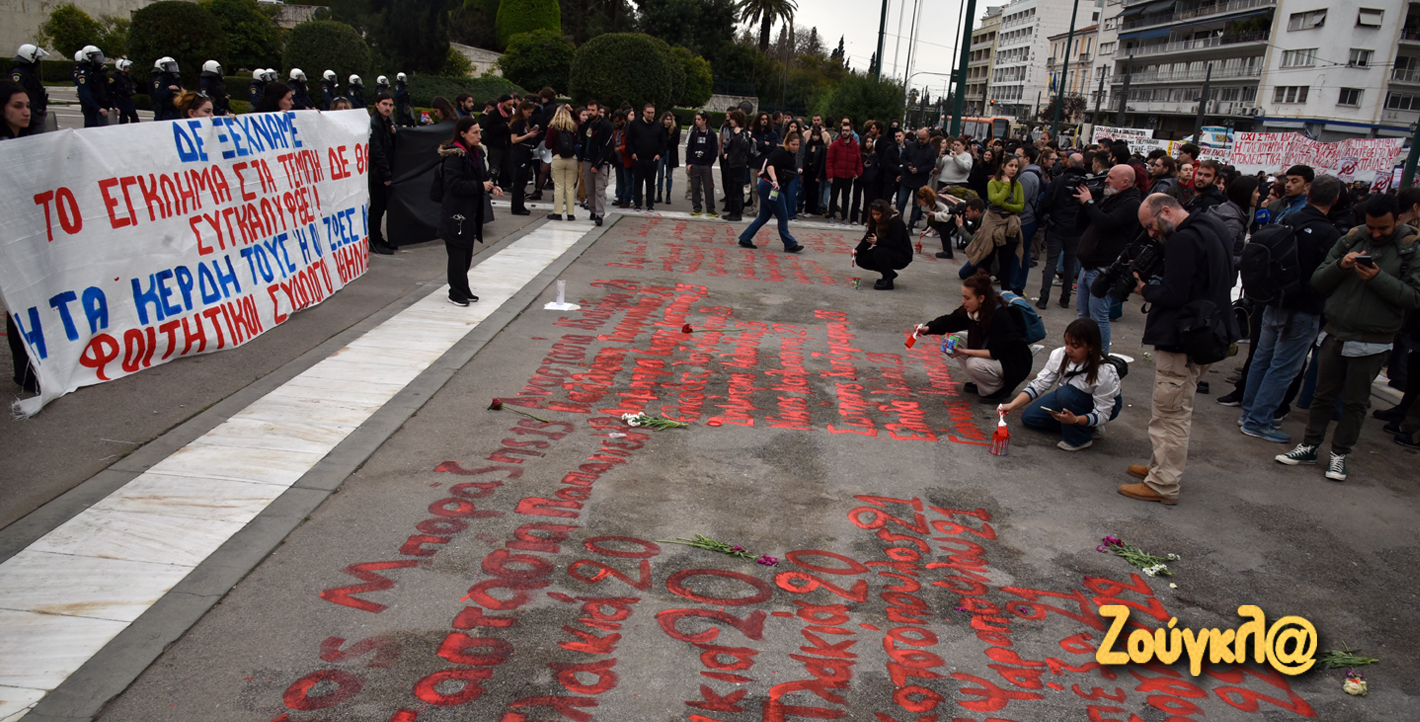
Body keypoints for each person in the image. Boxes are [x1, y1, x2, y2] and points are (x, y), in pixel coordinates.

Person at [1276, 195, 1420, 480]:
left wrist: (1377, 278)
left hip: (1373, 338)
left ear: (1397, 221)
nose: (1376, 234)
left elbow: (1414, 297)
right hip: (1335, 331)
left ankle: (1339, 454)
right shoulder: (1353, 238)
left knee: (1355, 402)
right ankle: (1310, 445)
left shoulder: (1410, 249)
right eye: (1371, 227)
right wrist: (1341, 265)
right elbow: (1318, 280)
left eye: (1384, 229)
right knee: (1322, 396)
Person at [1120, 193, 1239, 505]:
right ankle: (1160, 466)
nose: (1151, 234)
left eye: (1151, 226)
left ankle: (1163, 483)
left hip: (1185, 338)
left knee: (1170, 412)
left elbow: (1173, 294)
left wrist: (1143, 288)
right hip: (1208, 331)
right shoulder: (1213, 228)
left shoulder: (1183, 240)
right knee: (1175, 407)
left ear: (1167, 211)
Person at [1234, 175, 1340, 442]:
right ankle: (1258, 420)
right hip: (1303, 308)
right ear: (1335, 199)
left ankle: (1249, 413)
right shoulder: (1329, 233)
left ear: (1310, 191)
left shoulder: (1287, 218)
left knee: (1262, 358)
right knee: (1283, 367)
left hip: (1273, 301)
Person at [1000, 318, 1123, 451]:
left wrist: (1076, 420)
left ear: (1091, 346)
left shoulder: (1104, 372)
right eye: (1067, 343)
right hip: (1069, 397)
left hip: (1101, 404)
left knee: (1066, 393)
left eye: (1076, 346)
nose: (1069, 350)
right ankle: (1084, 424)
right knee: (1030, 418)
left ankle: (1080, 438)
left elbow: (1104, 412)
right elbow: (1039, 384)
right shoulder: (1059, 355)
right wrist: (1013, 405)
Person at [915, 269, 1033, 404]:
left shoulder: (1000, 316)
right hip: (995, 351)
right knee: (954, 340)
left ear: (981, 298)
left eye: (967, 297)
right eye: (963, 296)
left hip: (1013, 363)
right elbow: (950, 321)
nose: (963, 301)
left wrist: (963, 352)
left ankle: (998, 389)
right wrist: (928, 328)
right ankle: (979, 382)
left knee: (974, 363)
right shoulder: (973, 310)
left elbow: (995, 352)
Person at [1072, 165, 1142, 353]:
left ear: (1125, 182)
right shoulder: (1109, 197)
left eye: (1111, 177)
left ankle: (1101, 358)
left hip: (1103, 269)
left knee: (1098, 317)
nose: (1106, 180)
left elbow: (1106, 223)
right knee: (1083, 315)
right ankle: (1083, 351)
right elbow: (1082, 224)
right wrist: (1083, 204)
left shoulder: (1132, 203)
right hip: (1088, 265)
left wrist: (1089, 204)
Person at [437, 117, 504, 306]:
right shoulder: (454, 155)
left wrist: (491, 187)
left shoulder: (476, 152)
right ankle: (455, 291)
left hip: (471, 210)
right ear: (463, 133)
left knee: (466, 252)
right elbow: (453, 184)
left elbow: (481, 177)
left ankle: (463, 287)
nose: (479, 136)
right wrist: (479, 186)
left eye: (479, 132)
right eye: (474, 133)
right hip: (456, 211)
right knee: (457, 254)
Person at [2, 80, 39, 391]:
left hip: (20, 238)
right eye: (17, 106)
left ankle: (26, 371)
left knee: (21, 301)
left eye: (27, 105)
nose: (25, 112)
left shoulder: (30, 143)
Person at [737, 131, 804, 253]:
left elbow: (768, 159)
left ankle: (745, 237)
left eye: (797, 144)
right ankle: (789, 244)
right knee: (783, 216)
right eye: (793, 144)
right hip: (770, 186)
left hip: (768, 186)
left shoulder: (789, 155)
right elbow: (770, 164)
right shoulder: (782, 152)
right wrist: (774, 180)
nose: (795, 147)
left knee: (764, 216)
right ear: (788, 143)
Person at [1038, 152, 1087, 309]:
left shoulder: (1059, 181)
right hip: (1076, 228)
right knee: (1070, 264)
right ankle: (1065, 298)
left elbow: (1046, 202)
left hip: (1056, 226)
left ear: (1069, 164)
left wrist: (1045, 219)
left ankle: (1043, 298)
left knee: (1051, 262)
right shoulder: (1086, 184)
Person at [853, 198, 913, 290]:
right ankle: (889, 273)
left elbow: (895, 243)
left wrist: (878, 241)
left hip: (902, 254)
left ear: (884, 214)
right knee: (861, 258)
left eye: (878, 214)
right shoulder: (875, 222)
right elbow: (868, 238)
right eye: (873, 214)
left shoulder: (896, 222)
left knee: (879, 252)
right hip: (887, 250)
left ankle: (888, 280)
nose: (875, 217)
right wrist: (857, 250)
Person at [367, 92, 397, 255]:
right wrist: (386, 174)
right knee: (377, 208)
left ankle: (378, 237)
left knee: (382, 207)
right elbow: (377, 151)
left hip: (384, 171)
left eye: (390, 105)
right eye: (384, 104)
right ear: (377, 104)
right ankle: (374, 240)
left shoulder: (387, 123)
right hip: (377, 173)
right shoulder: (375, 124)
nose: (388, 108)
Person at [543, 103, 580, 221]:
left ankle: (558, 212)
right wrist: (573, 111)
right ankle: (570, 214)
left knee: (558, 187)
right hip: (572, 158)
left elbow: (548, 145)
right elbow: (579, 120)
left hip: (558, 157)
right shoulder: (573, 127)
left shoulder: (552, 127)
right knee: (569, 187)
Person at [579, 101, 613, 226]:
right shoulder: (587, 125)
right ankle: (593, 210)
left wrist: (598, 164)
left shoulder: (605, 126)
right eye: (589, 110)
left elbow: (607, 147)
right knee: (589, 188)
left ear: (598, 111)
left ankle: (599, 214)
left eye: (593, 110)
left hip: (600, 161)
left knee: (599, 189)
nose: (590, 112)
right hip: (587, 159)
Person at [626, 103, 665, 211]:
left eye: (652, 113)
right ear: (643, 112)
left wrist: (659, 154)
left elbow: (663, 142)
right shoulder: (635, 124)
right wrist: (632, 153)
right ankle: (638, 204)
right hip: (638, 158)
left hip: (652, 159)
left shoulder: (658, 126)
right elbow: (629, 140)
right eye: (648, 112)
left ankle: (650, 204)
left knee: (651, 183)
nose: (650, 115)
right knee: (638, 183)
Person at [896, 127, 936, 230]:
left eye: (923, 138)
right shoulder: (911, 146)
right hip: (907, 178)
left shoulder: (931, 149)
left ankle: (911, 225)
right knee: (901, 202)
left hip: (920, 180)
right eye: (919, 138)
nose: (921, 141)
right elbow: (902, 158)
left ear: (928, 137)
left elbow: (931, 165)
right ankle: (898, 224)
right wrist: (907, 166)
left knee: (917, 205)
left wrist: (919, 170)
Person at [825, 118, 862, 225]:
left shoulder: (855, 145)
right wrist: (830, 174)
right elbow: (829, 160)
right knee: (834, 197)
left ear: (851, 132)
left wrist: (858, 172)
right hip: (837, 175)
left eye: (847, 130)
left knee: (846, 198)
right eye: (843, 130)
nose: (845, 132)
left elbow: (859, 160)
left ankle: (844, 217)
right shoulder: (835, 144)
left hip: (848, 176)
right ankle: (831, 215)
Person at [508, 99, 540, 216]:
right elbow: (514, 139)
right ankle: (517, 206)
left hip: (525, 151)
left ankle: (520, 205)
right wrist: (528, 135)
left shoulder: (524, 122)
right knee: (519, 181)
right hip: (519, 152)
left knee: (522, 181)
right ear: (523, 110)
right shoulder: (517, 123)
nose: (530, 115)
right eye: (529, 112)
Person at [685, 110, 719, 217]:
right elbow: (690, 148)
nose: (697, 121)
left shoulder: (711, 134)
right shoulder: (694, 133)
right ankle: (696, 207)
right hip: (695, 163)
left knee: (708, 187)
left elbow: (714, 150)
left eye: (699, 119)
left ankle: (710, 208)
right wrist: (688, 162)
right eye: (696, 119)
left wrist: (710, 163)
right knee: (695, 187)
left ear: (705, 120)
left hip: (706, 165)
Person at [719, 109, 751, 222]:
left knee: (737, 189)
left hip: (739, 164)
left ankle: (737, 212)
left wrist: (737, 135)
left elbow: (744, 146)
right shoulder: (732, 132)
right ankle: (732, 210)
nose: (731, 121)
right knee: (731, 188)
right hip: (731, 162)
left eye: (733, 119)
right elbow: (729, 145)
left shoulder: (743, 133)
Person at [9, 44, 49, 132]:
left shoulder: (29, 73)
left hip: (35, 114)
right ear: (30, 57)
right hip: (29, 115)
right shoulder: (18, 73)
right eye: (37, 58)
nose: (38, 61)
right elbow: (16, 94)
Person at [482, 94, 514, 190]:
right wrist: (505, 127)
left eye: (512, 105)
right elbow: (488, 128)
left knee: (508, 165)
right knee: (494, 166)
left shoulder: (511, 114)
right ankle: (490, 185)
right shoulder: (494, 114)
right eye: (509, 105)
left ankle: (506, 184)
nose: (510, 107)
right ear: (502, 103)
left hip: (507, 144)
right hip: (496, 144)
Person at [73, 46, 107, 127]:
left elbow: (106, 89)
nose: (98, 59)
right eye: (96, 57)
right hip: (92, 109)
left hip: (102, 108)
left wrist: (114, 105)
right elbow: (84, 94)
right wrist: (97, 107)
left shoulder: (98, 72)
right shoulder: (83, 73)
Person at [655, 111, 680, 206]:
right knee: (660, 174)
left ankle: (668, 194)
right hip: (662, 152)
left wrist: (666, 142)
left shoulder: (675, 130)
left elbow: (674, 143)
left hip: (671, 153)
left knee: (669, 175)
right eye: (666, 119)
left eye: (670, 119)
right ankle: (659, 193)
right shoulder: (660, 129)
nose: (668, 121)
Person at [110, 59, 140, 123]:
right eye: (126, 67)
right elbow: (110, 89)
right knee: (123, 119)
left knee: (135, 118)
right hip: (120, 100)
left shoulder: (127, 77)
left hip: (128, 100)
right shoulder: (115, 77)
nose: (128, 69)